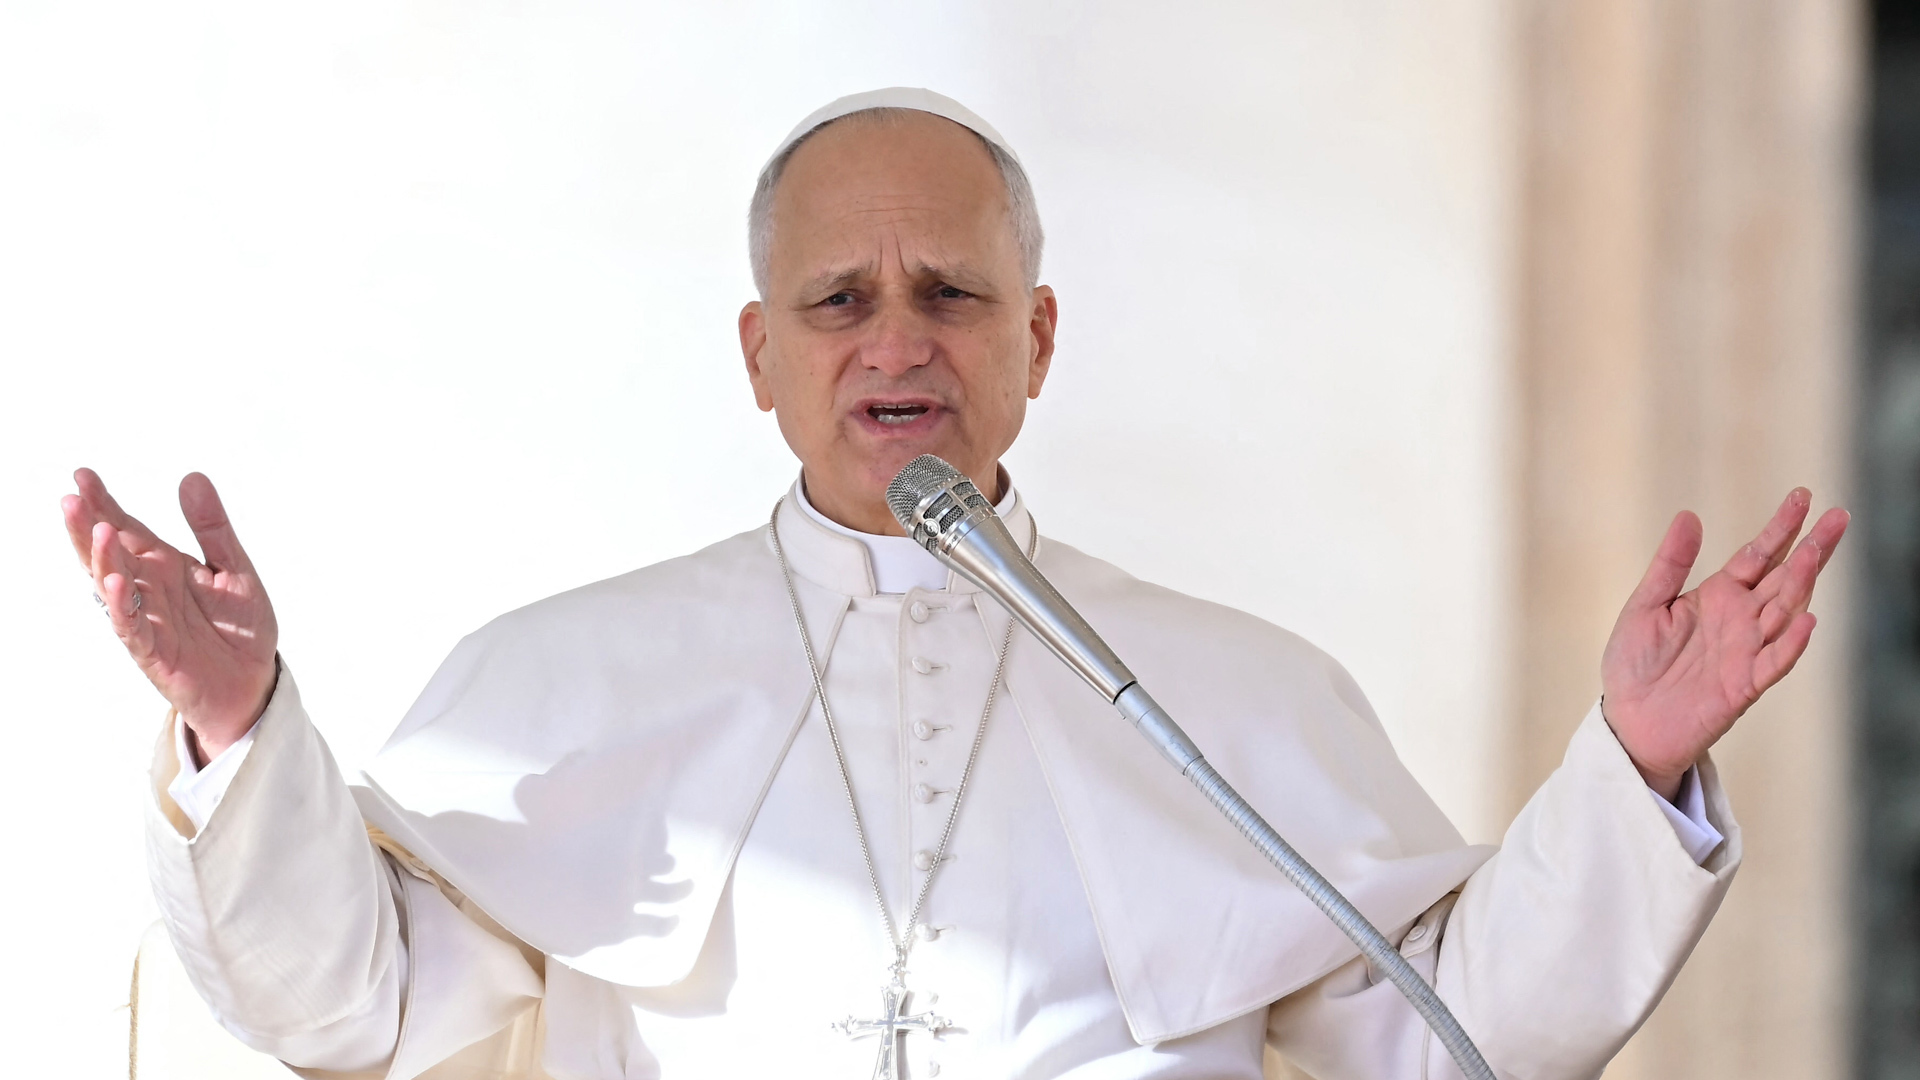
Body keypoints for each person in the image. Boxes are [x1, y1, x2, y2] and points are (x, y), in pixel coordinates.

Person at [64, 88, 1848, 1080]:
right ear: (760, 355)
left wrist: (1632, 766)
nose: (896, 342)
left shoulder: (1236, 690)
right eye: (840, 301)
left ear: (1037, 341)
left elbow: (1452, 1036)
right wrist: (239, 728)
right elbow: (351, 1003)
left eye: (953, 295)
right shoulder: (572, 674)